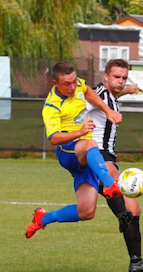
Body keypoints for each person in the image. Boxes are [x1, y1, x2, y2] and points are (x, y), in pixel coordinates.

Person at [25, 61, 124, 240]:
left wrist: (107, 110)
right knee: (90, 144)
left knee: (87, 211)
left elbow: (87, 91)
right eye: (67, 84)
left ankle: (43, 218)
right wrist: (80, 132)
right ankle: (110, 184)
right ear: (55, 83)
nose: (72, 86)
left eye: (73, 81)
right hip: (68, 151)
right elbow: (54, 138)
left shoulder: (77, 83)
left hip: (86, 156)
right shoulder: (52, 106)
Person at [87, 59, 143, 272]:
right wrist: (79, 126)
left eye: (123, 78)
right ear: (105, 77)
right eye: (116, 77)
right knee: (110, 176)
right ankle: (121, 215)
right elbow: (83, 102)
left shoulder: (110, 94)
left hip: (109, 154)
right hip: (96, 153)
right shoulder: (98, 94)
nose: (120, 81)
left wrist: (127, 91)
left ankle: (136, 262)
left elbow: (111, 96)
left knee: (134, 209)